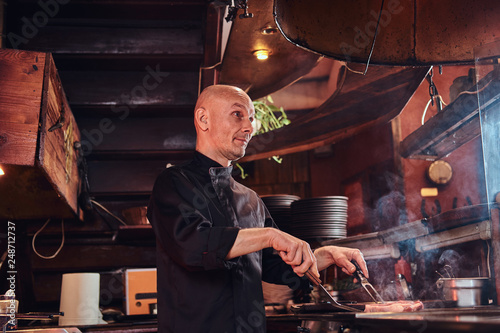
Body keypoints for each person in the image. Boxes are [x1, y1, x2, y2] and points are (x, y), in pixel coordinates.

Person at [147, 84, 368, 333]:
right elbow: (192, 245)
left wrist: (322, 255)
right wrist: (270, 236)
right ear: (203, 119)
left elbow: (275, 266)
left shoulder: (250, 199)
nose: (249, 127)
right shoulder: (174, 183)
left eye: (251, 118)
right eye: (238, 114)